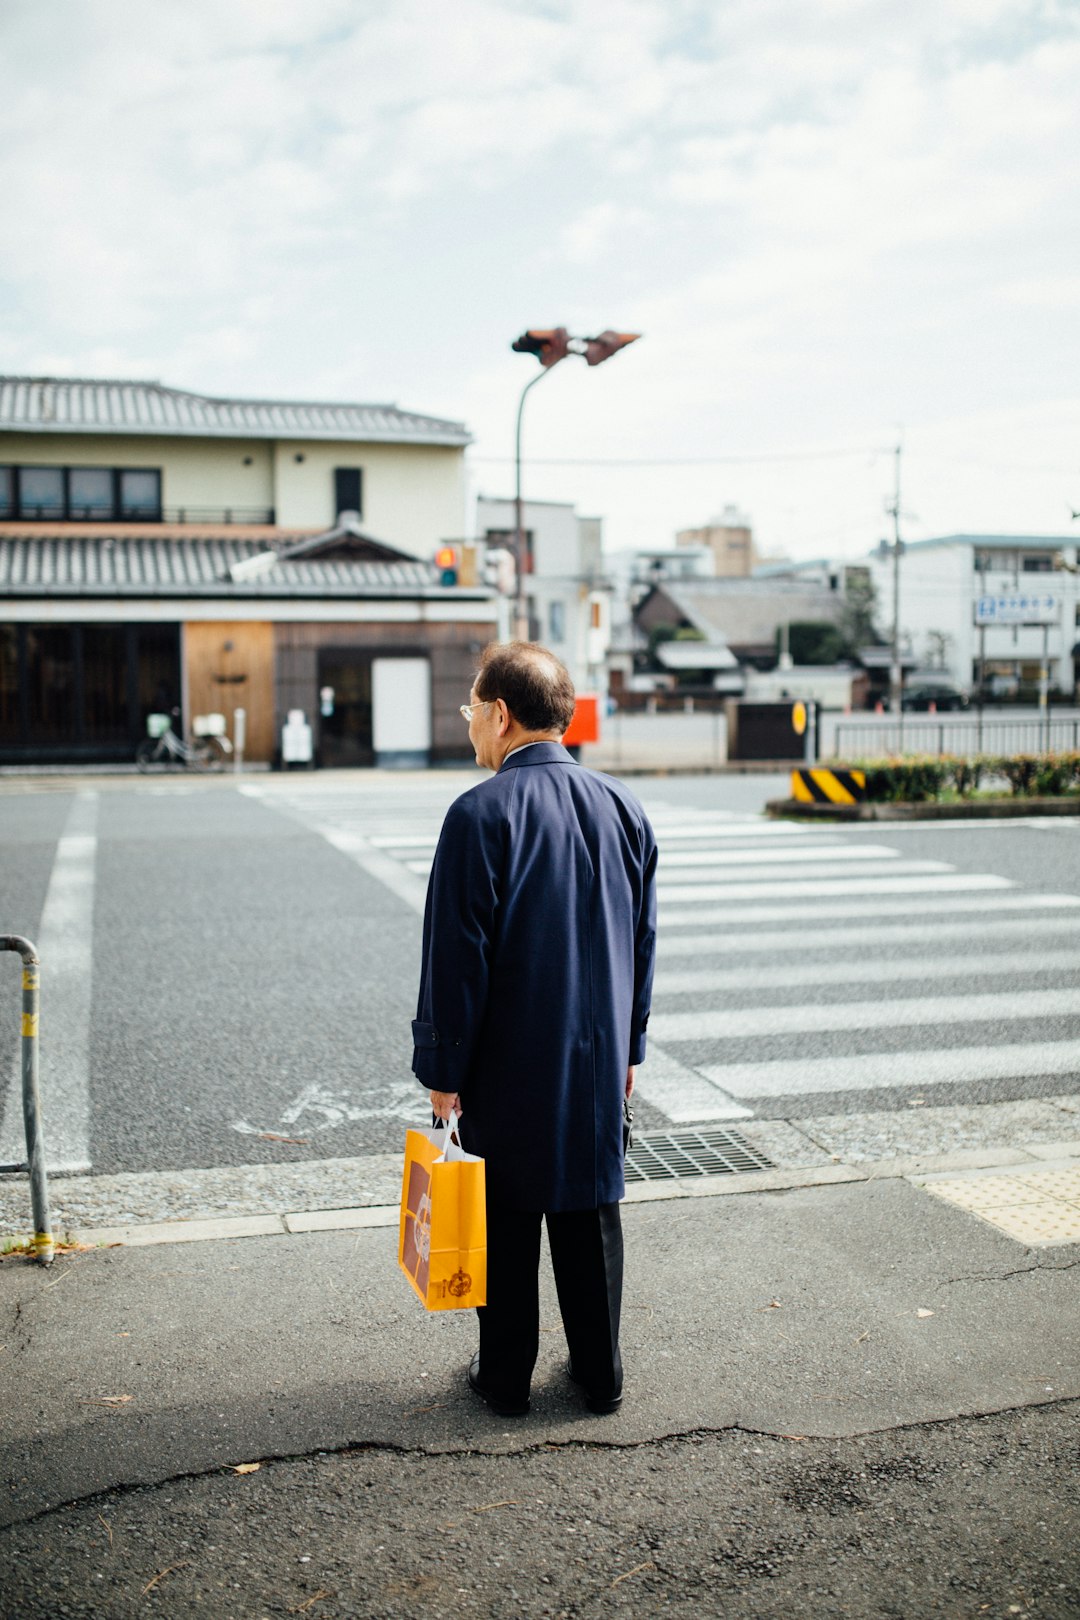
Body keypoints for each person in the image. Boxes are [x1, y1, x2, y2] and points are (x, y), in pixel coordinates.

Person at [411, 641, 657, 1418]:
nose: (470, 727)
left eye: (471, 711)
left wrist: (442, 1070)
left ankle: (507, 1377)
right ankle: (601, 1374)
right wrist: (631, 1050)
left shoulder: (480, 813)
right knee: (589, 1213)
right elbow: (642, 940)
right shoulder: (623, 806)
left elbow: (457, 959)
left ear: (502, 714)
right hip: (596, 1059)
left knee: (508, 1216)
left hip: (509, 1058)